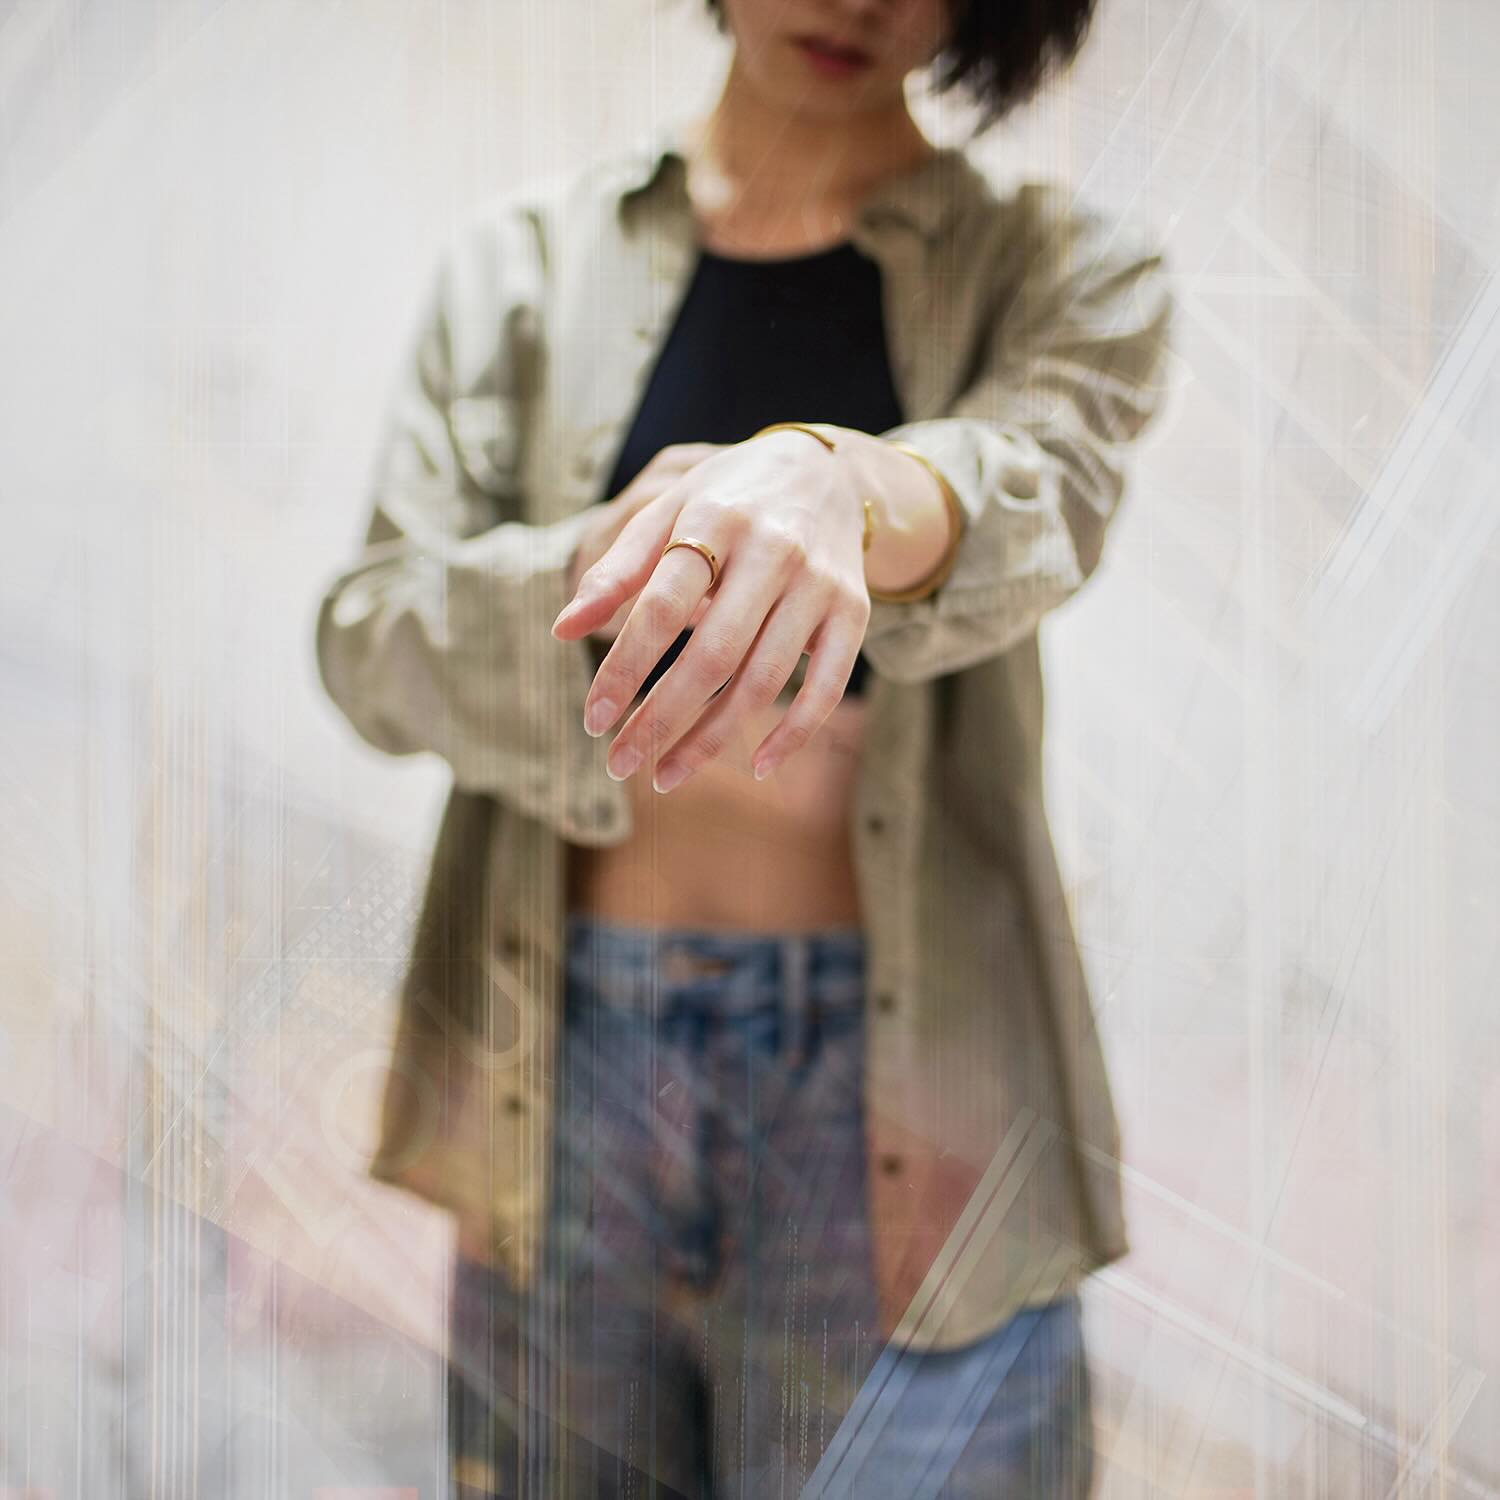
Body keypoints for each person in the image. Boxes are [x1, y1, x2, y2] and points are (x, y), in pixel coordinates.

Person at [314, 0, 1173, 1493]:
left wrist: (837, 483)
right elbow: (369, 645)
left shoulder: (1060, 268)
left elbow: (1035, 485)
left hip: (906, 1076)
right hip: (563, 1055)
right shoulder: (524, 266)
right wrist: (624, 557)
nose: (860, 1)